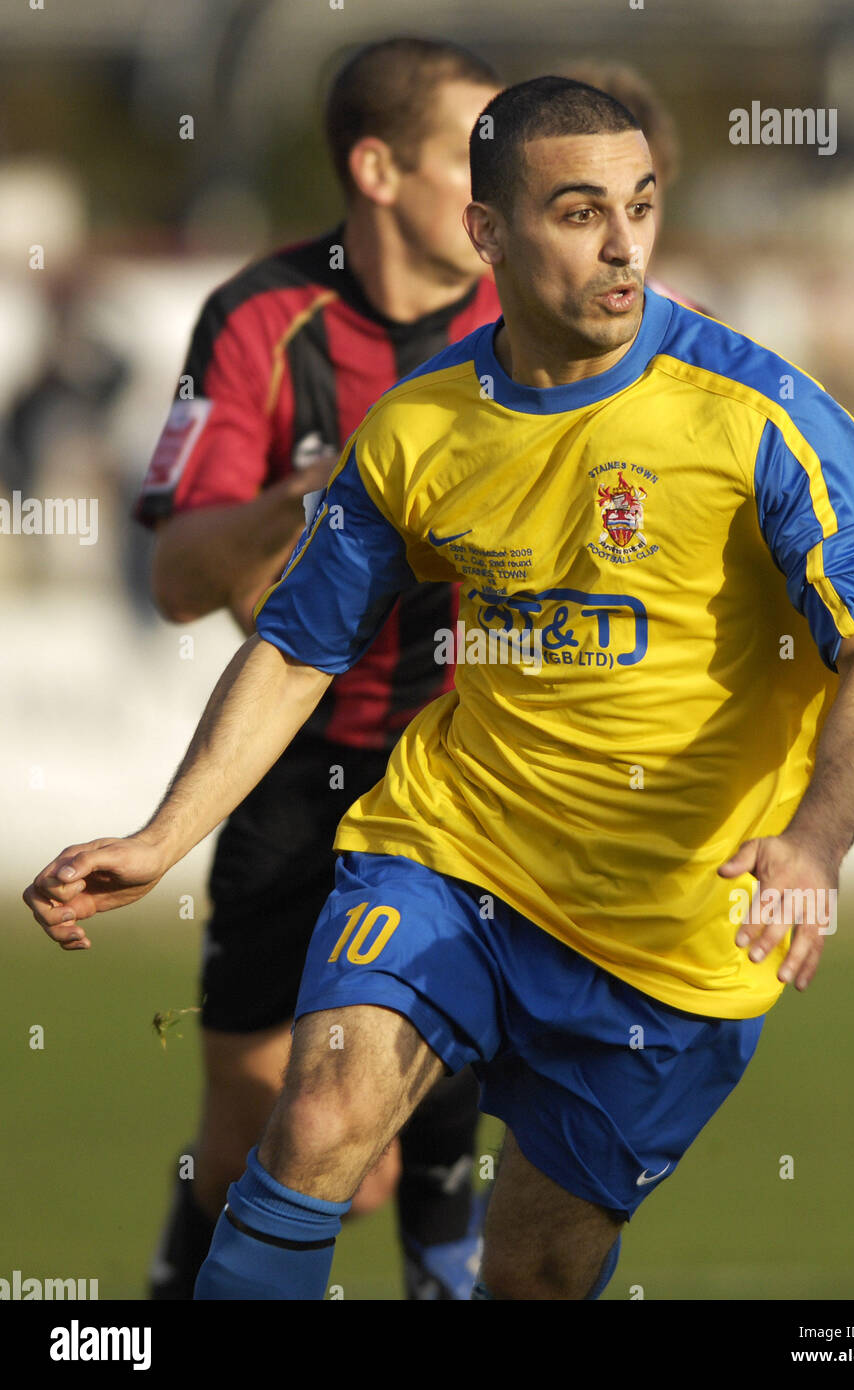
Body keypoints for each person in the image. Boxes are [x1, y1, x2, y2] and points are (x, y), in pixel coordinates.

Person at [26, 76, 854, 1301]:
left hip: (675, 927)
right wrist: (160, 837)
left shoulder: (764, 418)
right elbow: (297, 646)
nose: (622, 246)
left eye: (640, 207)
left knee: (533, 1273)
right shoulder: (421, 428)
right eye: (576, 213)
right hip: (455, 855)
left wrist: (815, 843)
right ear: (486, 232)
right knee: (317, 1120)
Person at [133, 36, 500, 1300]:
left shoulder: (533, 318)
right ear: (377, 168)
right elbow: (178, 581)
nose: (499, 184)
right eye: (472, 155)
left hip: (475, 774)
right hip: (295, 766)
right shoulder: (258, 316)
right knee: (254, 1130)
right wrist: (306, 498)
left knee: (443, 1118)